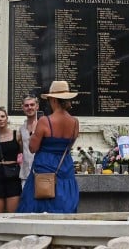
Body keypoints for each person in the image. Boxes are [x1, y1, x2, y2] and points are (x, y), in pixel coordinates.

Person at [17, 80, 80, 213]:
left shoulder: (45, 121)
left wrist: (33, 133)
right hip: (64, 165)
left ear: (54, 100)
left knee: (38, 205)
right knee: (63, 203)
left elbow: (32, 148)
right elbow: (69, 146)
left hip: (44, 165)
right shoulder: (75, 122)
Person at [0, 106, 23, 212]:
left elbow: (23, 153)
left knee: (12, 213)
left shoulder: (17, 135)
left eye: (2, 116)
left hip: (13, 174)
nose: (0, 119)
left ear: (7, 118)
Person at [18, 94, 38, 186]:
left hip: (40, 172)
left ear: (37, 106)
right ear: (23, 108)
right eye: (26, 105)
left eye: (32, 105)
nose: (29, 107)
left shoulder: (43, 126)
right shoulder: (21, 129)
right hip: (25, 174)